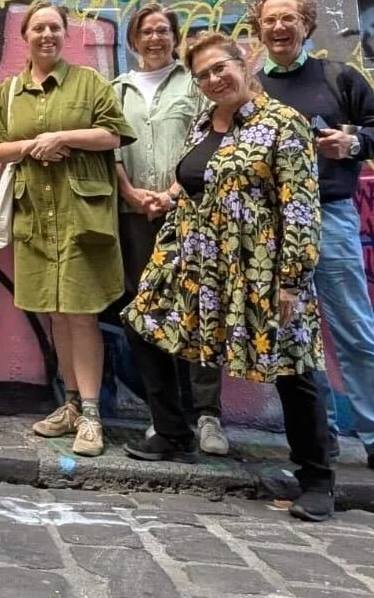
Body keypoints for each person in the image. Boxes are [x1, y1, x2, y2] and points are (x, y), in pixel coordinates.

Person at [123, 32, 335, 521]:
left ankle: (317, 478)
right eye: (203, 75)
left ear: (245, 64)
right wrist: (168, 197)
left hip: (259, 268)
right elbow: (201, 180)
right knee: (143, 322)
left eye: (221, 68)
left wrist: (290, 280)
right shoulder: (203, 124)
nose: (214, 79)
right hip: (196, 263)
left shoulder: (284, 125)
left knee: (290, 367)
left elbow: (300, 207)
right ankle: (173, 432)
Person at [251, 0, 374, 487]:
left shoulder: (338, 77)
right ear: (258, 28)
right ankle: (319, 438)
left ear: (307, 25)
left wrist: (351, 144)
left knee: (353, 330)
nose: (279, 28)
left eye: (289, 18)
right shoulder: (251, 86)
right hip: (272, 226)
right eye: (270, 20)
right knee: (295, 337)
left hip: (330, 217)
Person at [0, 1, 132, 457]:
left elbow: (114, 134)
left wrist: (62, 138)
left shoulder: (88, 82)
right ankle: (67, 405)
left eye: (54, 28)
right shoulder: (9, 92)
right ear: (24, 35)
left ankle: (91, 415)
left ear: (65, 35)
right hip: (35, 219)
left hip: (81, 217)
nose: (46, 35)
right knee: (55, 314)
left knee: (82, 314)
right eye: (38, 28)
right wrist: (32, 145)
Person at [112, 3, 228, 456]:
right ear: (133, 41)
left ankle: (207, 414)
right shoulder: (119, 89)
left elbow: (210, 140)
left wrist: (173, 193)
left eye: (163, 31)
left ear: (174, 38)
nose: (155, 39)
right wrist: (131, 194)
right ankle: (166, 416)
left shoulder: (194, 85)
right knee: (149, 313)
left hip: (191, 213)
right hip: (136, 215)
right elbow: (112, 151)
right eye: (147, 32)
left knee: (199, 308)